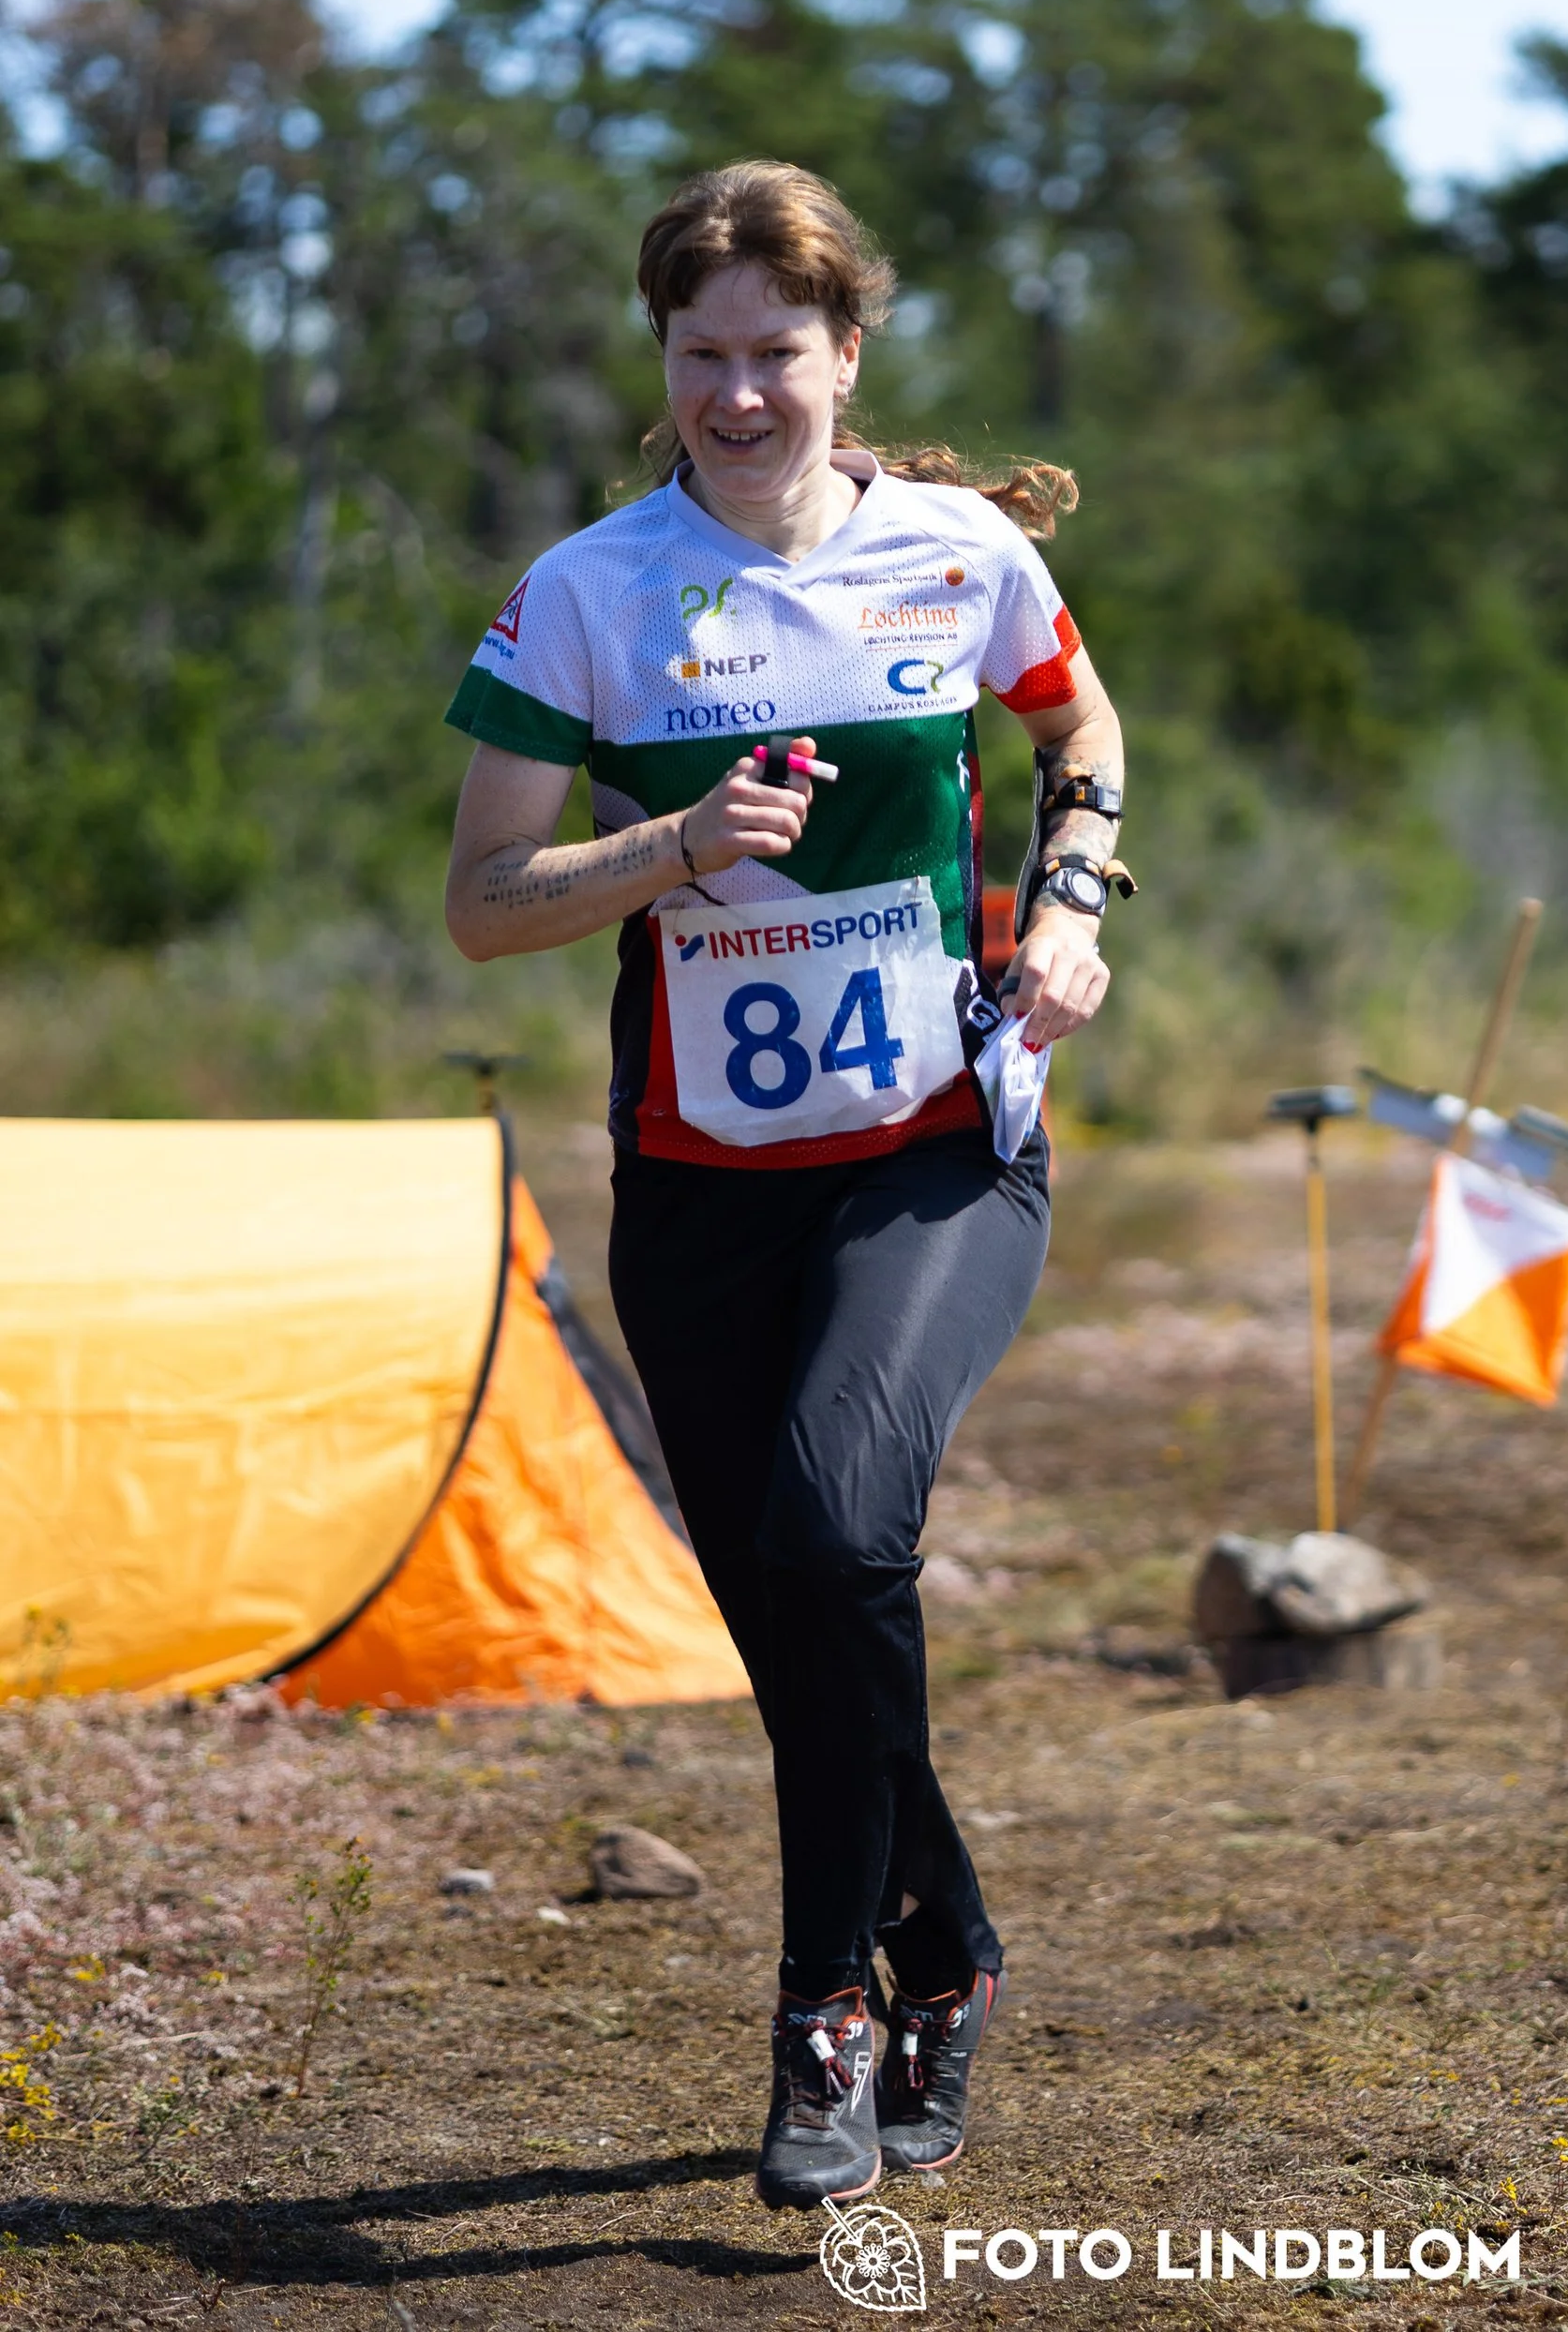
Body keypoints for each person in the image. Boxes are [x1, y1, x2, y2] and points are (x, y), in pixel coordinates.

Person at [441, 160, 1129, 2208]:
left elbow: (1077, 724)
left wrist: (1075, 901)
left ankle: (826, 2004)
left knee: (842, 1526)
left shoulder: (959, 553)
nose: (738, 394)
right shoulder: (589, 591)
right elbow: (484, 902)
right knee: (792, 1614)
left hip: (934, 1155)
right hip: (701, 1190)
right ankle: (958, 1944)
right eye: (699, 355)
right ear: (663, 362)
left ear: (847, 352)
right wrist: (668, 845)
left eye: (774, 352)